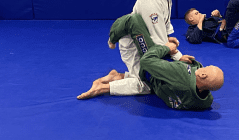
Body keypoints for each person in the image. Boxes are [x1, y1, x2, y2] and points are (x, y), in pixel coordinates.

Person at [77, 14, 224, 110]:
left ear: (203, 75)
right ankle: (117, 76)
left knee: (133, 21)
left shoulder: (180, 75)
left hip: (149, 72)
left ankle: (112, 39)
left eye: (208, 67)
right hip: (160, 84)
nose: (205, 65)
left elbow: (147, 61)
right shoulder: (205, 101)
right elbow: (199, 82)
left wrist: (165, 48)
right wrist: (181, 59)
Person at [109, 0, 194, 96]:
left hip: (148, 37)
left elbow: (164, 21)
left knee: (156, 74)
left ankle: (117, 76)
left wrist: (167, 37)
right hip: (134, 43)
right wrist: (178, 57)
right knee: (149, 82)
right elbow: (159, 42)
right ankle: (103, 87)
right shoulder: (151, 1)